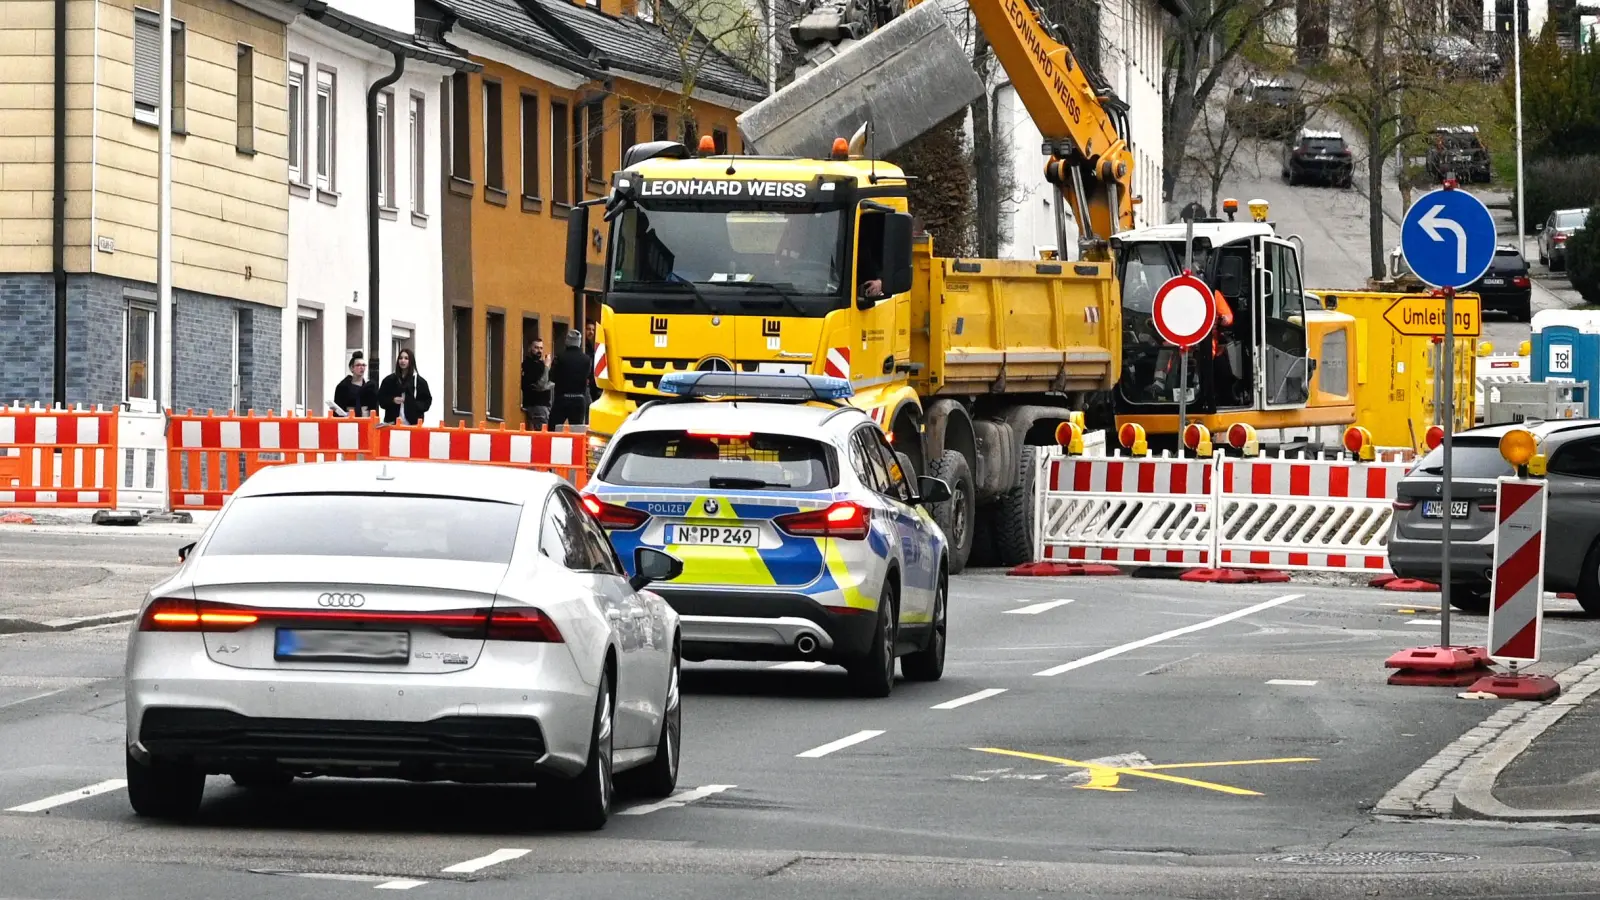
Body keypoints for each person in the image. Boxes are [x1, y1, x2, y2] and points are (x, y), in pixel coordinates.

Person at [377, 348, 433, 426]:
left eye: (406, 358)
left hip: (412, 424)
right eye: (400, 358)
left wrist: (413, 405)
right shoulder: (389, 380)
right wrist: (392, 400)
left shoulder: (420, 382)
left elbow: (426, 402)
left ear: (411, 361)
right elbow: (381, 399)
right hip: (392, 423)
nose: (403, 361)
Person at [550, 329, 592, 428]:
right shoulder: (586, 359)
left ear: (567, 341)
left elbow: (552, 377)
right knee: (576, 431)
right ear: (579, 342)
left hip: (562, 399)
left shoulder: (560, 357)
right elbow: (589, 377)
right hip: (579, 399)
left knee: (553, 429)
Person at [330, 351, 378, 418]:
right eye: (358, 365)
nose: (361, 368)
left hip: (366, 419)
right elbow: (338, 408)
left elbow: (374, 407)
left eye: (363, 365)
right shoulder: (343, 387)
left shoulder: (370, 386)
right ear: (351, 368)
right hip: (349, 419)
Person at [520, 336, 552, 430]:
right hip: (537, 405)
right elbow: (541, 385)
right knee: (542, 435)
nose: (539, 350)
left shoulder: (540, 364)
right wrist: (546, 367)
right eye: (536, 347)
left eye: (541, 348)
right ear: (530, 348)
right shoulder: (529, 365)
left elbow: (548, 383)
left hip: (544, 406)